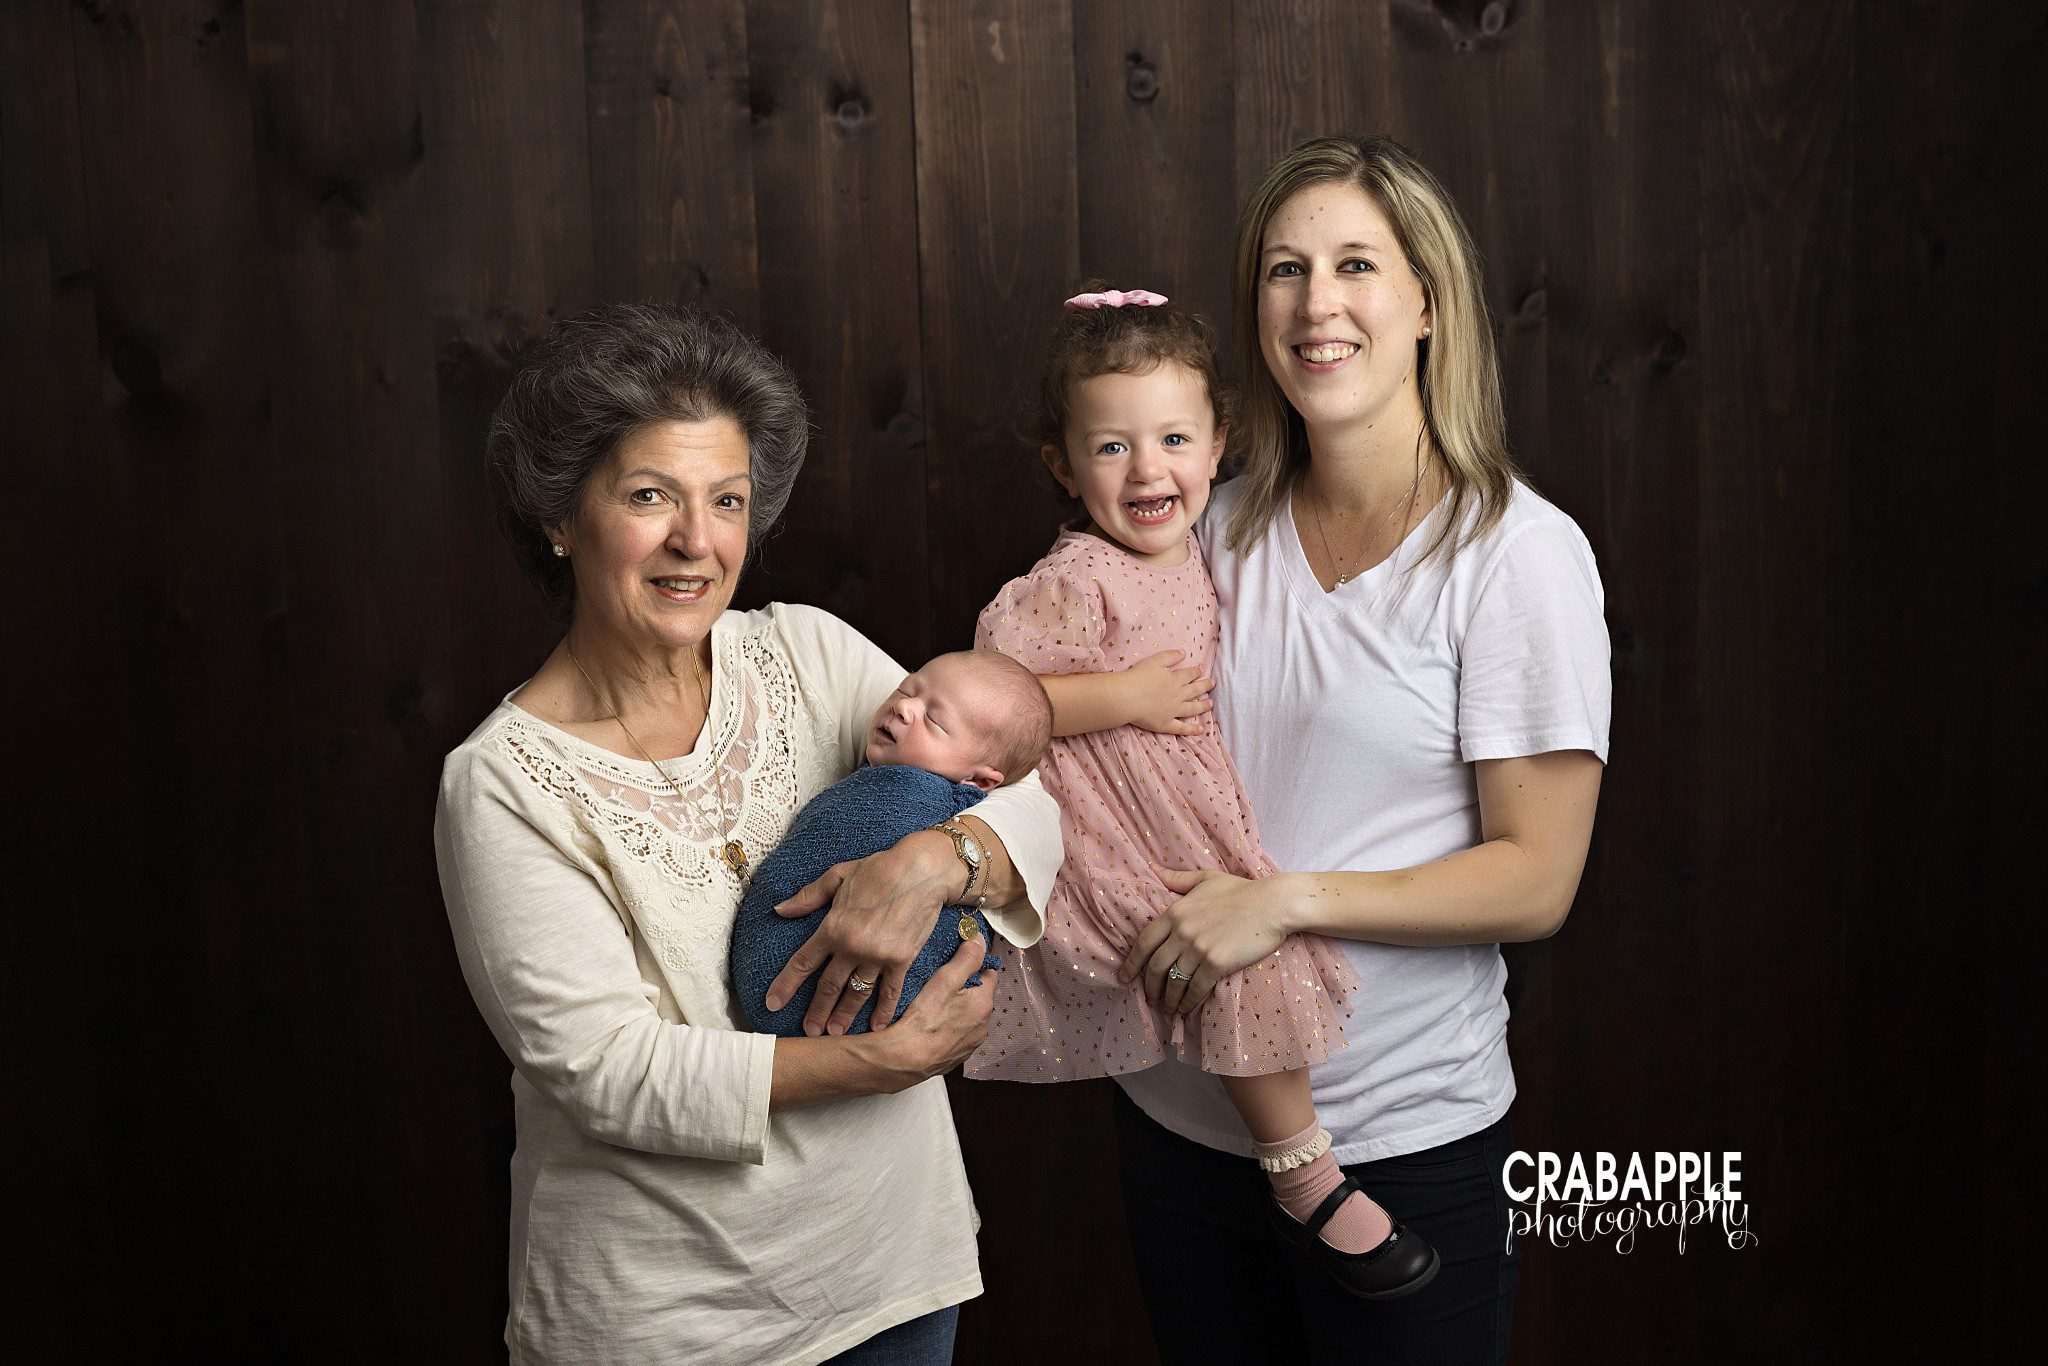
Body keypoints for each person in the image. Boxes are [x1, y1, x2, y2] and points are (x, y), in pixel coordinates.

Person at [433, 303, 1063, 1364]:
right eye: (650, 496)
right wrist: (874, 1060)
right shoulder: (500, 783)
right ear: (558, 516)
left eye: (726, 500)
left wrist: (937, 860)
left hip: (892, 1270)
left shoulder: (806, 654)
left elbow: (1024, 796)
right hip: (672, 1318)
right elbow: (607, 1070)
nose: (697, 540)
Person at [1105, 136, 1611, 1364]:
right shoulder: (1208, 530)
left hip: (1399, 1139)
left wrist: (1281, 902)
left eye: (1354, 266)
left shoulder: (1514, 556)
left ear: (1426, 305)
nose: (1314, 304)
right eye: (1284, 270)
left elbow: (1535, 879)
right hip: (1180, 1127)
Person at [967, 285, 1440, 1301]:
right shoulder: (1074, 577)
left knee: (1255, 951)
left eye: (1174, 439)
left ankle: (1294, 1168)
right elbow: (992, 703)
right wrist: (1121, 696)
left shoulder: (1208, 545)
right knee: (1242, 968)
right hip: (1109, 829)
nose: (1148, 470)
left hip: (1180, 813)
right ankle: (1304, 1178)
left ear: (1219, 445)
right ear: (1062, 465)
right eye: (1110, 448)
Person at [729, 649, 1054, 1036]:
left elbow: (1039, 816)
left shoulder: (922, 797)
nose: (904, 707)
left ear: (980, 781)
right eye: (906, 689)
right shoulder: (880, 773)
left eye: (934, 720)